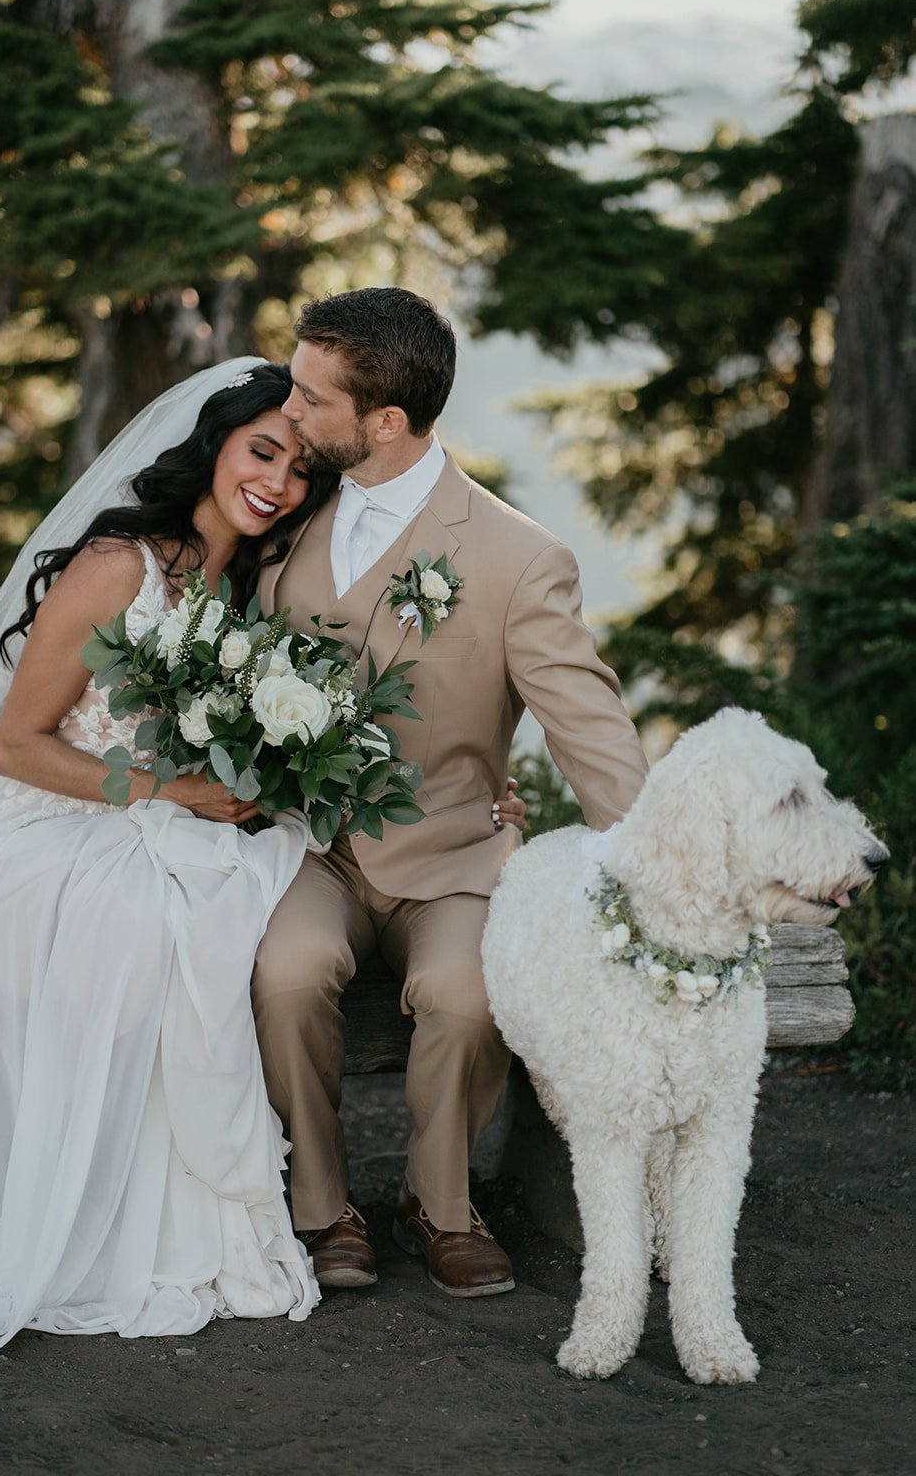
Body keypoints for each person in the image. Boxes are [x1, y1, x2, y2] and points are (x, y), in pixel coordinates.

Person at [0, 357, 525, 1374]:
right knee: (160, 925)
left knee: (231, 915)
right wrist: (173, 796)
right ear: (214, 443)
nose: (279, 483)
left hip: (177, 817)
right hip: (48, 824)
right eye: (262, 451)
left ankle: (209, 1210)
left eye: (303, 470)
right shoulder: (120, 564)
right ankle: (118, 1224)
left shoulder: (253, 578)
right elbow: (18, 746)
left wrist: (482, 790)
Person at [253, 289, 649, 1297]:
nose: (286, 411)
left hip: (453, 852)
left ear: (384, 422)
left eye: (310, 396)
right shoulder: (281, 512)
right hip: (310, 846)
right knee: (288, 970)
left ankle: (439, 1205)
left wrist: (650, 862)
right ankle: (322, 1206)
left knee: (466, 994)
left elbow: (588, 725)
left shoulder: (517, 557)